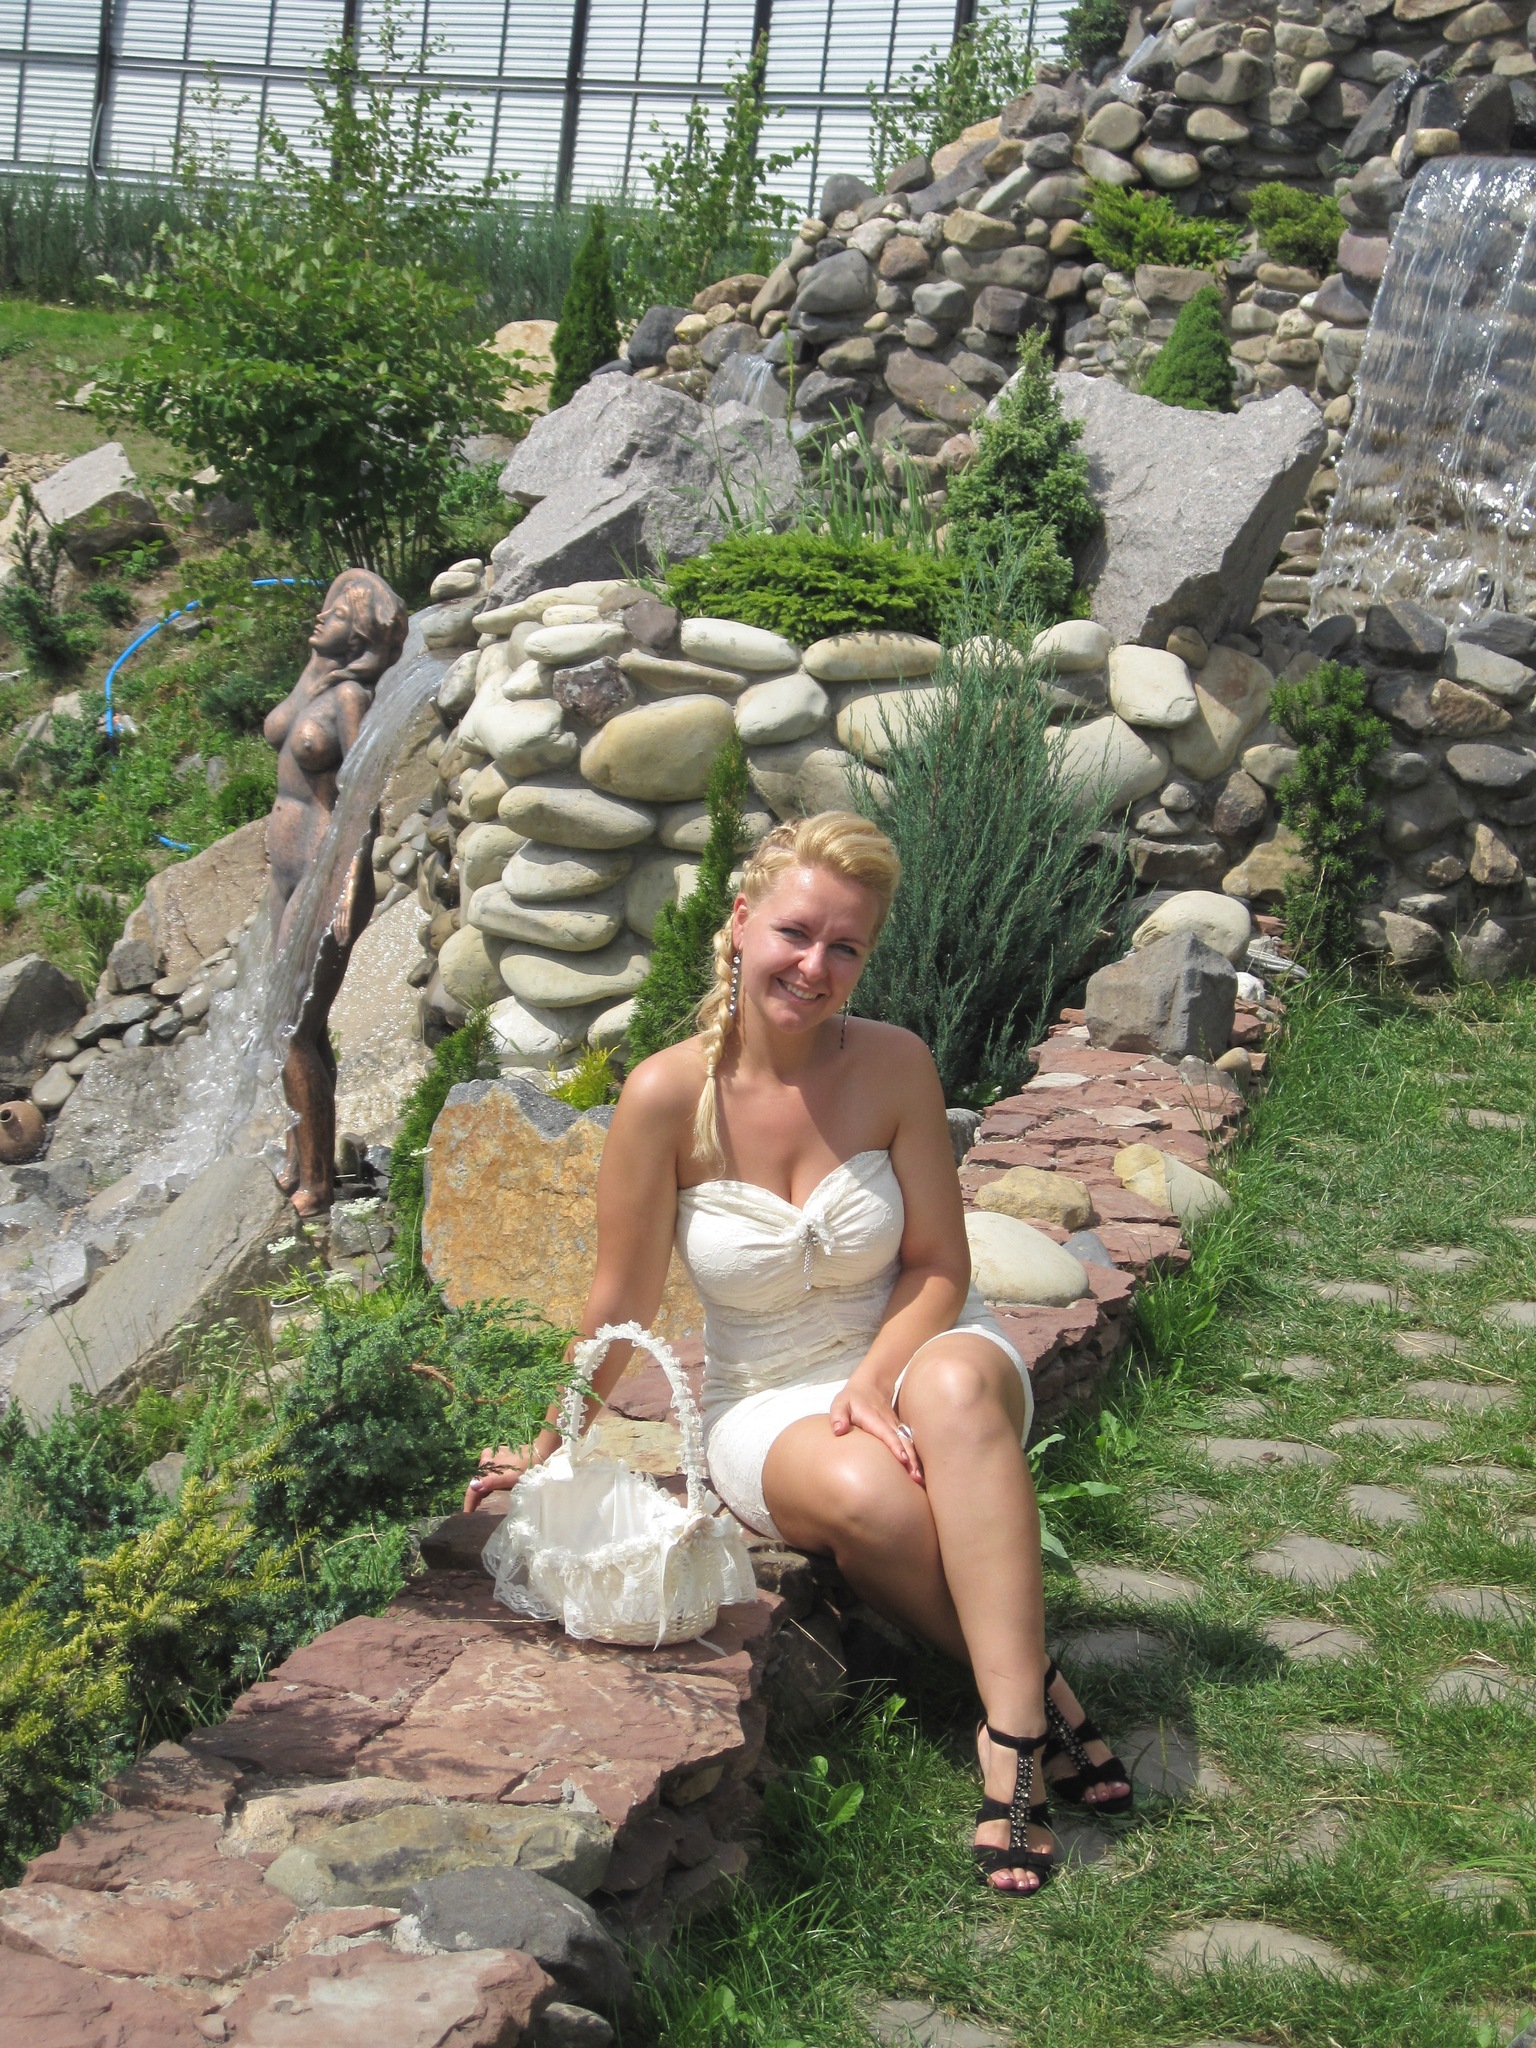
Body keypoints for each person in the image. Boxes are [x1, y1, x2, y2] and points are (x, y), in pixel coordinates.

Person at [465, 811, 1130, 1894]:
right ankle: (1047, 1693)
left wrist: (874, 1379)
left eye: (845, 946)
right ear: (740, 924)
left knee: (956, 1387)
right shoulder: (665, 1096)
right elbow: (616, 1302)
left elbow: (939, 1267)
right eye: (795, 933)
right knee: (872, 1495)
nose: (815, 967)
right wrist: (548, 1445)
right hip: (766, 1394)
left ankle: (1009, 1740)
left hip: (917, 1340)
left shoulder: (895, 1064)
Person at [263, 567, 408, 1215]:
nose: (323, 616)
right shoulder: (317, 681)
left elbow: (364, 794)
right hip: (288, 871)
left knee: (294, 1024)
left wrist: (349, 879)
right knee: (291, 1020)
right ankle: (302, 1155)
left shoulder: (351, 699)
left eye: (341, 614)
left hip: (328, 873)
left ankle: (318, 1182)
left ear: (361, 639)